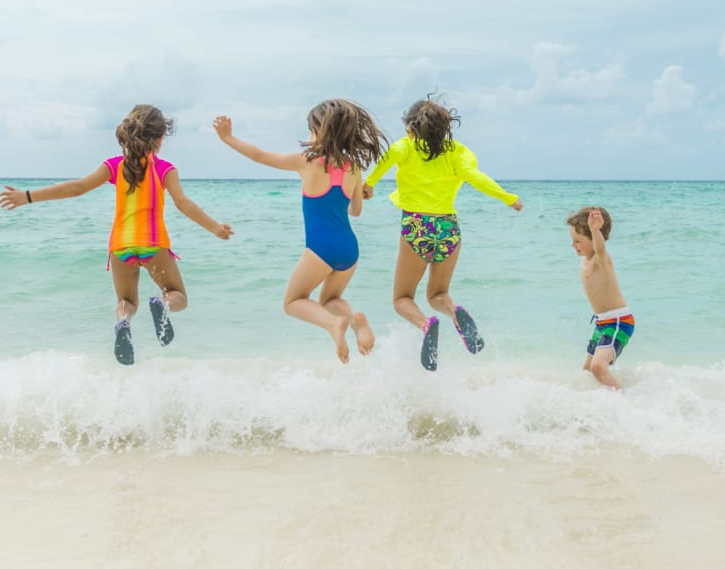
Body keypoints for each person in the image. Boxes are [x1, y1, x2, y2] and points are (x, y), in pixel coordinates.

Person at [0, 104, 233, 365]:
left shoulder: (116, 166)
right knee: (177, 295)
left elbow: (77, 188)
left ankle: (123, 322)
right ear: (158, 139)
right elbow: (182, 203)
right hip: (153, 245)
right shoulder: (165, 169)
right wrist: (215, 227)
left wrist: (27, 197)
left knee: (127, 301)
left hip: (121, 247)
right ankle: (163, 305)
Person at [213, 99, 387, 363]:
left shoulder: (307, 161)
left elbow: (260, 156)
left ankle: (333, 324)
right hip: (349, 249)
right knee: (330, 299)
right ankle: (354, 319)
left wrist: (228, 138)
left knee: (293, 302)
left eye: (310, 129)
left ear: (320, 130)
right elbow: (356, 211)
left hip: (320, 248)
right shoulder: (353, 168)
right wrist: (361, 192)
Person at [362, 95, 522, 371]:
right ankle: (454, 312)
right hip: (448, 227)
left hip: (417, 225)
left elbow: (384, 163)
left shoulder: (405, 147)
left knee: (402, 299)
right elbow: (477, 178)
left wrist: (369, 185)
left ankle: (426, 324)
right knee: (438, 294)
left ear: (410, 127)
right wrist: (508, 198)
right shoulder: (459, 153)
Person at [566, 206, 634, 390]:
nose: (573, 245)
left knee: (598, 367)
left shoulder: (600, 259)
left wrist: (595, 230)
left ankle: (624, 399)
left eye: (577, 241)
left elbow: (600, 248)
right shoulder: (585, 259)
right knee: (587, 370)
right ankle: (594, 402)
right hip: (601, 323)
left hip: (618, 322)